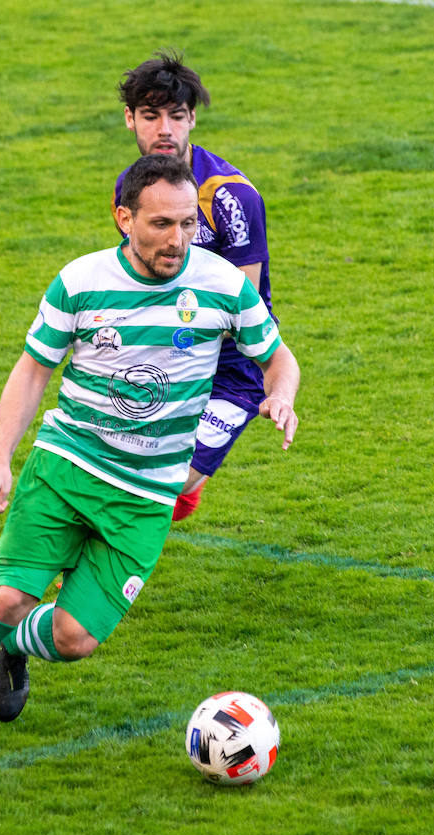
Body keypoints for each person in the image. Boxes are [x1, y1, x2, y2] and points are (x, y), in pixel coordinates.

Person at [0, 154, 300, 781]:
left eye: (187, 224)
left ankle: (14, 649)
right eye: (161, 224)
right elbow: (32, 373)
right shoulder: (79, 282)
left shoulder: (222, 285)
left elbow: (278, 358)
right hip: (67, 468)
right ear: (124, 217)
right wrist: (0, 462)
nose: (176, 239)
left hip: (146, 496)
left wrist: (282, 394)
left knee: (75, 639)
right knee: (7, 597)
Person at [115, 51, 274, 522]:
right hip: (165, 346)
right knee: (123, 475)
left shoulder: (230, 197)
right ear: (130, 120)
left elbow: (240, 306)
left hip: (232, 363)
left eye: (177, 116)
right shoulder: (130, 190)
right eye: (150, 115)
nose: (164, 128)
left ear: (192, 121)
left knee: (161, 483)